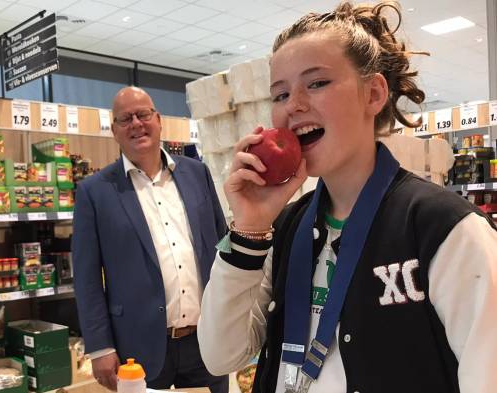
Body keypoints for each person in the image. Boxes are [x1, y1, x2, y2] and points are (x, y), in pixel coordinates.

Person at [197, 2, 497, 393]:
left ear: (373, 94)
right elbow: (221, 355)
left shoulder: (444, 228)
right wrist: (248, 230)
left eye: (317, 83)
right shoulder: (287, 228)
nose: (294, 105)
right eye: (280, 94)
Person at [72, 86, 228, 392]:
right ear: (114, 130)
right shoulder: (95, 192)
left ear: (158, 120)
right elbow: (87, 278)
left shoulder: (198, 174)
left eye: (143, 114)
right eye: (125, 119)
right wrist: (100, 347)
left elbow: (222, 245)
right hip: (137, 348)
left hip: (206, 341)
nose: (136, 124)